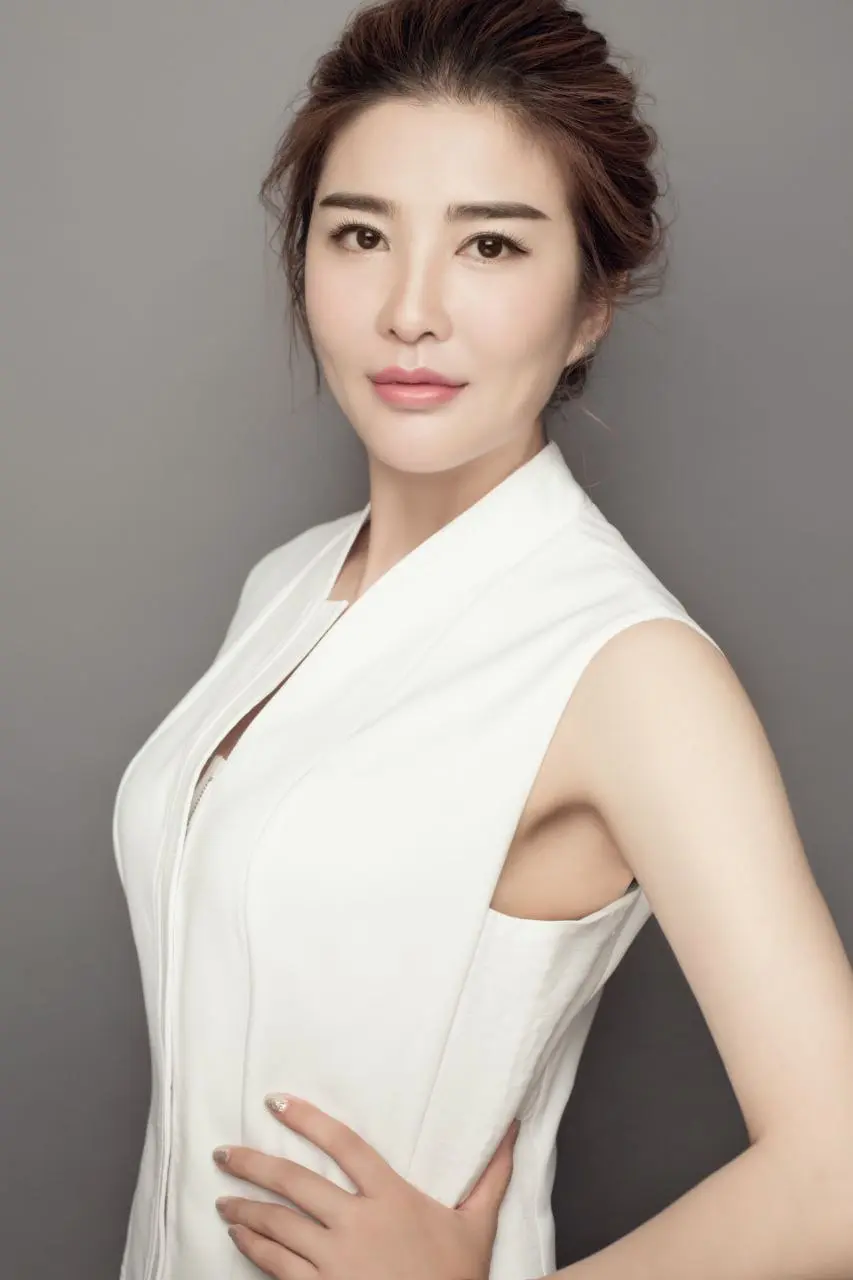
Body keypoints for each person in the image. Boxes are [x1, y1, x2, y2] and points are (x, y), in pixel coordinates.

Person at [112, 2, 853, 1278]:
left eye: (491, 245)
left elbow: (839, 1176)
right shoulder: (288, 583)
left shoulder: (626, 667)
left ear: (590, 303)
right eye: (360, 235)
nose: (410, 310)